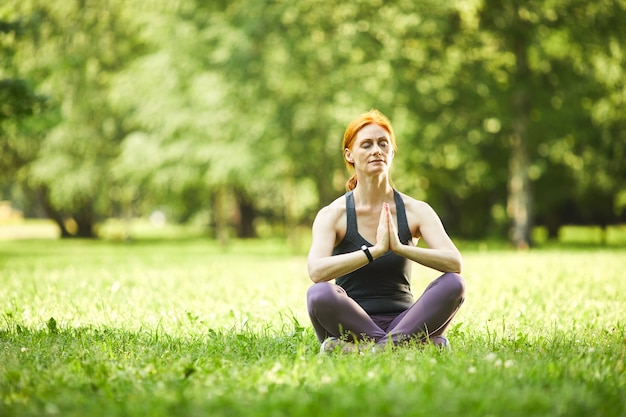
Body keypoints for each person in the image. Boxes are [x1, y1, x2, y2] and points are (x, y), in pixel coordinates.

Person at [306, 109, 465, 353]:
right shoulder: (333, 214)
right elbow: (316, 271)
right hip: (353, 322)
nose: (376, 150)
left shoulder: (415, 210)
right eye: (366, 145)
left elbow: (454, 262)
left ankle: (360, 350)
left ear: (392, 151)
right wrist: (375, 251)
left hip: (406, 322)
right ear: (350, 155)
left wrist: (400, 248)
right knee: (319, 293)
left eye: (383, 143)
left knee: (454, 284)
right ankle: (412, 347)